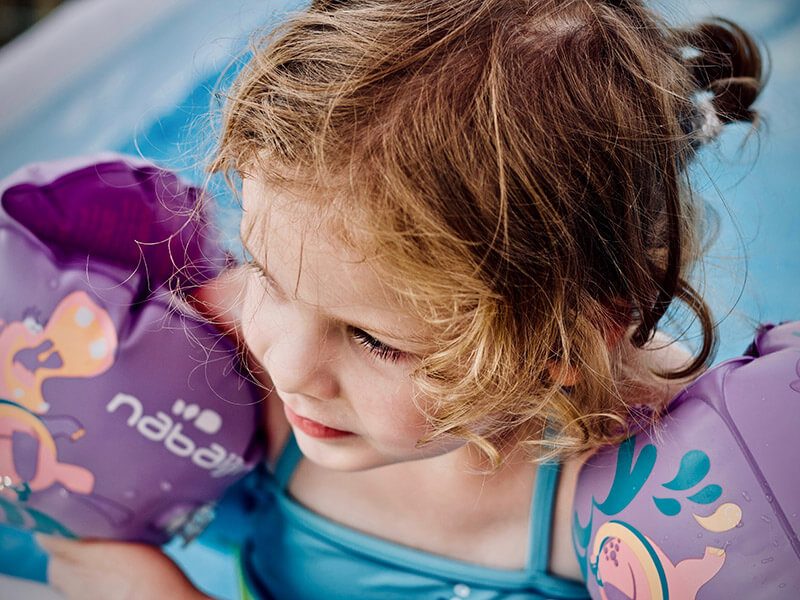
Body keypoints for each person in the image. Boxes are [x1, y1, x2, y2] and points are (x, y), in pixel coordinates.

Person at [35, 0, 764, 598]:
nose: (284, 366)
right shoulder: (234, 341)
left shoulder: (636, 498)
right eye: (263, 269)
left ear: (563, 349)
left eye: (374, 339)